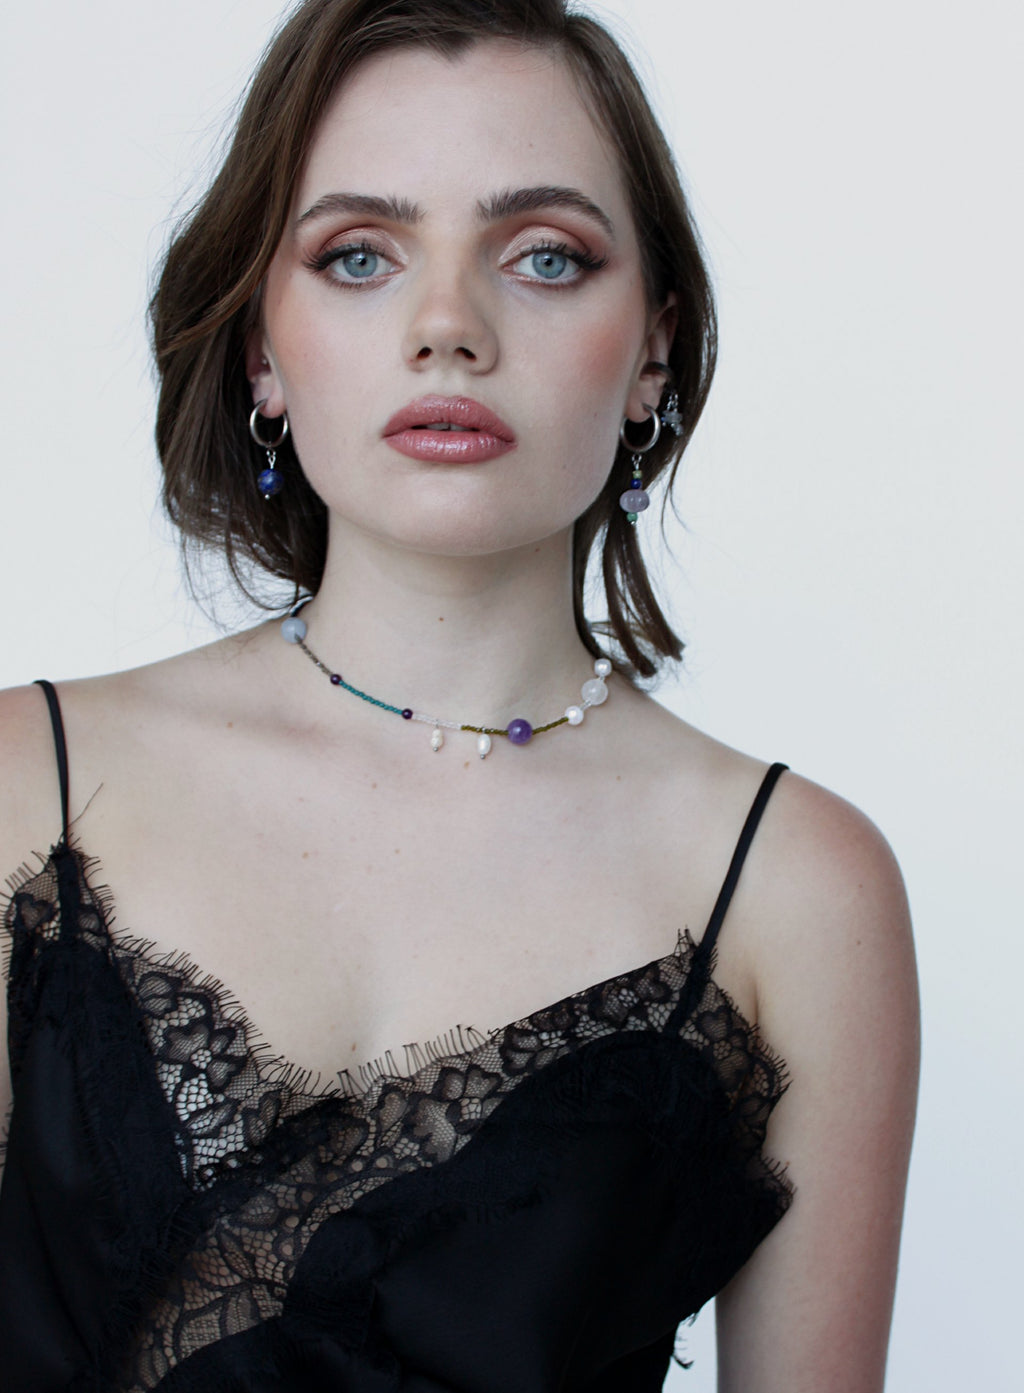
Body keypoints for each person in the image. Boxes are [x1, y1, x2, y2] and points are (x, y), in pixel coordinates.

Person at [0, 0, 920, 1388]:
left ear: (654, 349)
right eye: (359, 255)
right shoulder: (26, 781)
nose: (448, 325)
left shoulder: (799, 888)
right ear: (261, 349)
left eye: (544, 256)